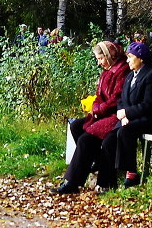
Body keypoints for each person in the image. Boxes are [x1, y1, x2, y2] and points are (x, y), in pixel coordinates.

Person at [54, 41, 129, 194]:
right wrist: (95, 108)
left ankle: (73, 182)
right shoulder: (107, 71)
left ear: (109, 55)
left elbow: (117, 99)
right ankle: (96, 161)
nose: (99, 62)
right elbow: (99, 95)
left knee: (86, 139)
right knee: (76, 126)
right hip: (102, 113)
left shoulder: (122, 71)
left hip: (115, 115)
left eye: (100, 58)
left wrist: (99, 110)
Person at [97, 41, 152, 190]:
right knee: (109, 140)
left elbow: (149, 104)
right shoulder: (130, 76)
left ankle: (131, 172)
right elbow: (122, 100)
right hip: (132, 119)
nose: (128, 60)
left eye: (130, 57)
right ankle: (106, 183)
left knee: (125, 132)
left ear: (141, 58)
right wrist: (124, 115)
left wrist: (128, 114)